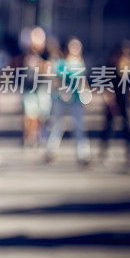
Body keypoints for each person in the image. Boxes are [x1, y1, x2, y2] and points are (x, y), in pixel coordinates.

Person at [44, 37, 91, 165]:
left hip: (76, 100)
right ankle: (51, 152)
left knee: (79, 127)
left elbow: (83, 81)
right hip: (61, 99)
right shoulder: (60, 63)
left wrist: (86, 95)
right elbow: (55, 79)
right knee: (57, 126)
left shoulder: (80, 64)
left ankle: (83, 154)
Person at [99, 40, 130, 169]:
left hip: (124, 100)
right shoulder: (110, 65)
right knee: (109, 127)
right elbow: (106, 84)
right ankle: (103, 154)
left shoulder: (129, 65)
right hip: (113, 100)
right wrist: (110, 100)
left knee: (128, 128)